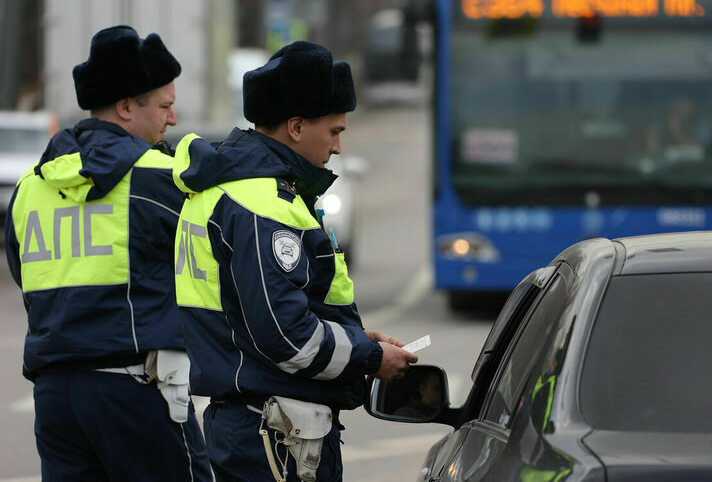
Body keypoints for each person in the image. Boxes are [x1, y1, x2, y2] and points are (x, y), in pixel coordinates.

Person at [172, 40, 418, 481]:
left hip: (255, 426)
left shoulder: (230, 189)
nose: (339, 146)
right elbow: (287, 336)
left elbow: (262, 313)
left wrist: (356, 336)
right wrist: (368, 356)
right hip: (275, 436)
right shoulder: (260, 201)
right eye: (335, 131)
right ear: (297, 126)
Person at [4, 25, 211, 481]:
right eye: (164, 106)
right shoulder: (157, 177)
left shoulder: (30, 188)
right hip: (136, 390)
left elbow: (24, 274)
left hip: (56, 401)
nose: (172, 121)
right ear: (125, 107)